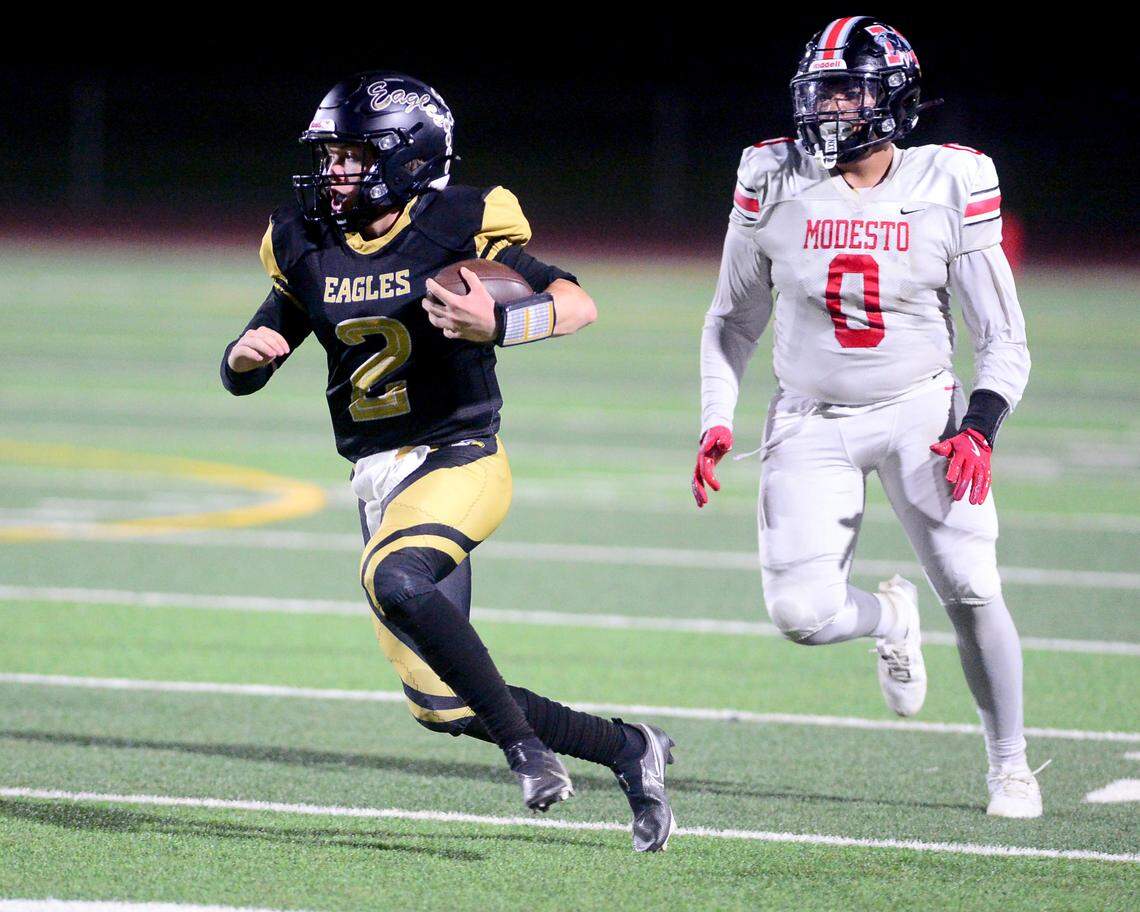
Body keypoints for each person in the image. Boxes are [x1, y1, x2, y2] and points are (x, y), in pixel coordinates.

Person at [222, 71, 675, 850]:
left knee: (390, 576)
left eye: (354, 155)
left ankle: (527, 755)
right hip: (378, 479)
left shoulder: (459, 222)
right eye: (330, 154)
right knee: (442, 703)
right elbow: (270, 334)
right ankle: (629, 749)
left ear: (410, 158)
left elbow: (577, 303)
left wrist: (501, 325)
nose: (334, 170)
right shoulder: (305, 238)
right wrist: (242, 361)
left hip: (460, 457)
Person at [693, 18, 1041, 817]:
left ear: (893, 98)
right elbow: (730, 320)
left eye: (846, 91)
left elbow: (1002, 337)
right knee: (801, 615)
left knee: (973, 587)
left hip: (922, 408)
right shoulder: (769, 174)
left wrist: (979, 424)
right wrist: (717, 416)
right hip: (810, 418)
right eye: (818, 91)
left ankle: (1010, 764)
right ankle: (889, 616)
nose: (828, 109)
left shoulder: (950, 181)